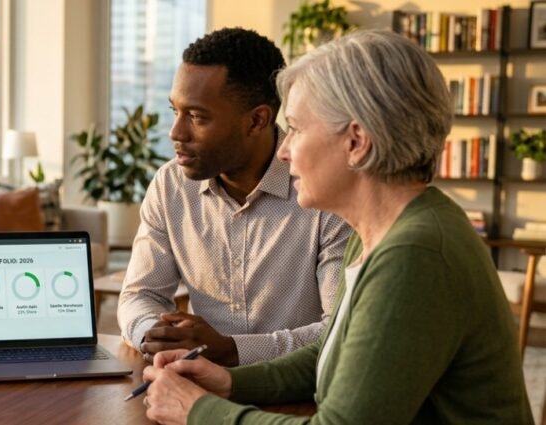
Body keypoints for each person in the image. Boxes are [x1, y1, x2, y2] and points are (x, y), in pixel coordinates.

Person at [141, 30, 533, 424]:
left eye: (295, 128)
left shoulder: (414, 254)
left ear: (356, 142)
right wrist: (230, 381)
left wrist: (197, 411)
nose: (284, 149)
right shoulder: (377, 232)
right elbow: (334, 352)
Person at [117, 27, 351, 367]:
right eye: (175, 111)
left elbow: (339, 331)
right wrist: (155, 335)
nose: (176, 133)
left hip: (298, 396)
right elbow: (141, 294)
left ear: (256, 120)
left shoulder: (324, 191)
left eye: (196, 117)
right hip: (194, 385)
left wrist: (232, 349)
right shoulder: (171, 185)